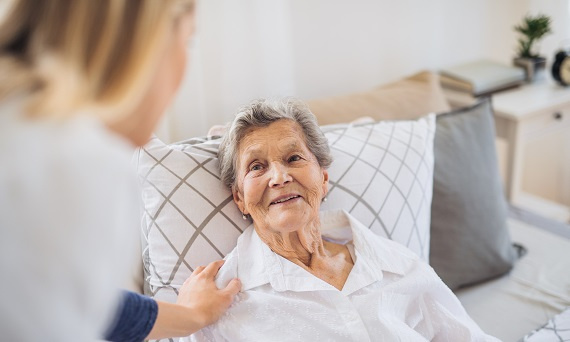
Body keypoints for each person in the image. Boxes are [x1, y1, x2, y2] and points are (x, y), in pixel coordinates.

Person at [0, 1, 240, 341]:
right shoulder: (77, 160)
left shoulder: (24, 126)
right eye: (187, 41)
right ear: (145, 43)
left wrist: (193, 315)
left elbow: (81, 303)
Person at [185, 98, 500, 341]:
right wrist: (187, 319)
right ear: (239, 197)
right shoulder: (220, 297)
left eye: (294, 158)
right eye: (256, 166)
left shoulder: (396, 265)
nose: (279, 177)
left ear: (323, 180)